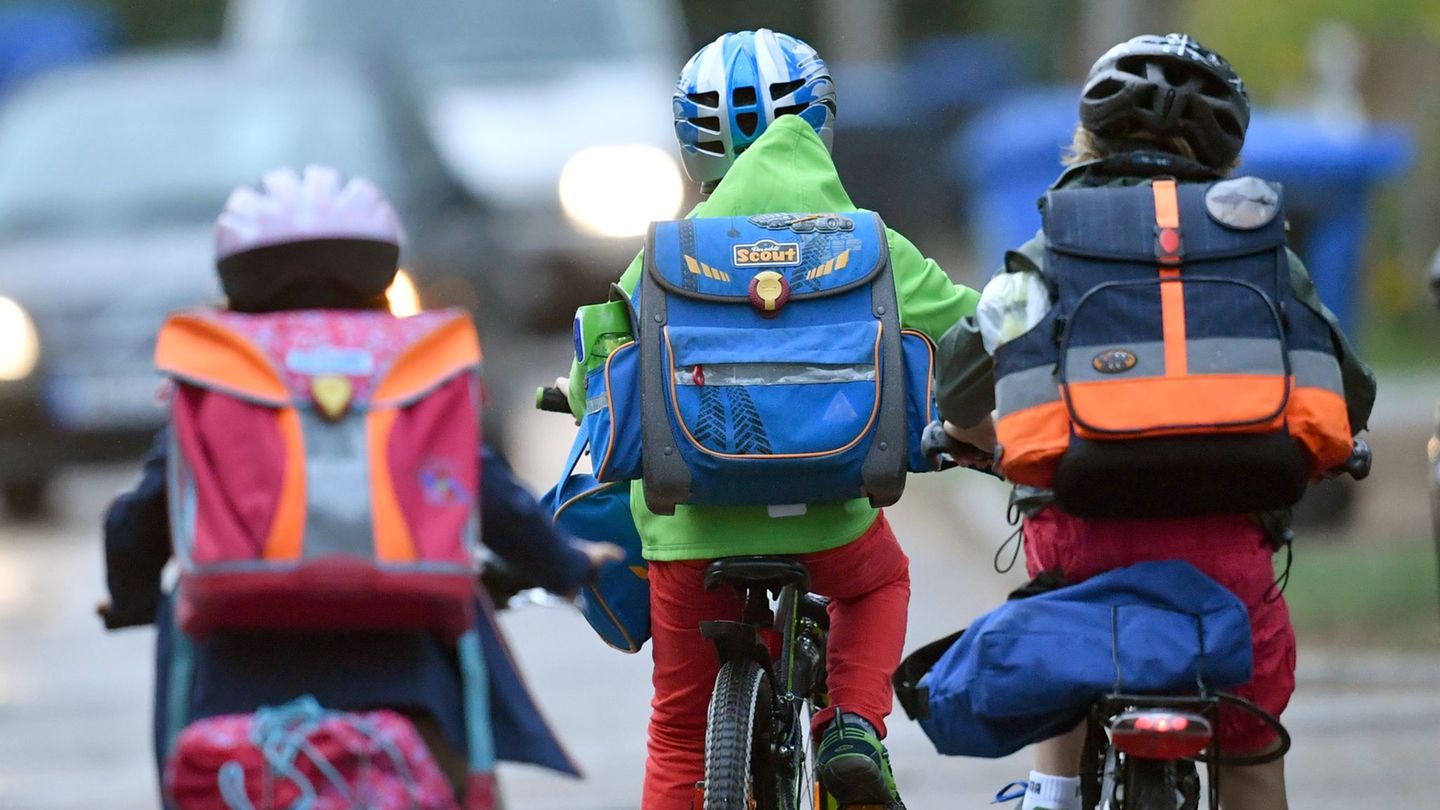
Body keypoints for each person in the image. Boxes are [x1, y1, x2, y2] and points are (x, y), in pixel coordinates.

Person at [934, 34, 1377, 810]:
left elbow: (962, 380)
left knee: (1060, 625)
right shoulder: (1261, 250)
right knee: (1252, 748)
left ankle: (1054, 790)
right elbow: (1349, 387)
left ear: (1089, 137)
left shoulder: (1053, 244)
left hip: (1084, 543)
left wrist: (974, 439)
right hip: (1228, 563)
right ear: (1223, 150)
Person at [100, 165, 621, 808]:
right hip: (410, 686)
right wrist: (566, 565)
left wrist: (128, 598)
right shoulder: (413, 363)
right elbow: (484, 492)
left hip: (234, 687)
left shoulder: (219, 372)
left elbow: (138, 518)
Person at [561, 28, 978, 810]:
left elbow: (601, 379)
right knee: (881, 579)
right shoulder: (869, 245)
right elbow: (972, 337)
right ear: (820, 121)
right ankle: (853, 725)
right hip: (829, 526)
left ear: (695, 145)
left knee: (681, 735)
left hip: (692, 536)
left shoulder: (663, 255)